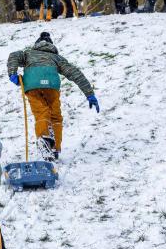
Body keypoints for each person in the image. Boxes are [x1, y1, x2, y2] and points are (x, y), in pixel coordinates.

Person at [7, 32, 99, 161]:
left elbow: (14, 55)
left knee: (41, 112)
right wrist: (90, 94)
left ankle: (44, 138)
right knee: (55, 116)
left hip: (32, 84)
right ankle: (55, 148)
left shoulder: (28, 53)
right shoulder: (57, 58)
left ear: (37, 44)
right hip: (51, 86)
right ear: (51, 45)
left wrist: (12, 73)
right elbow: (75, 73)